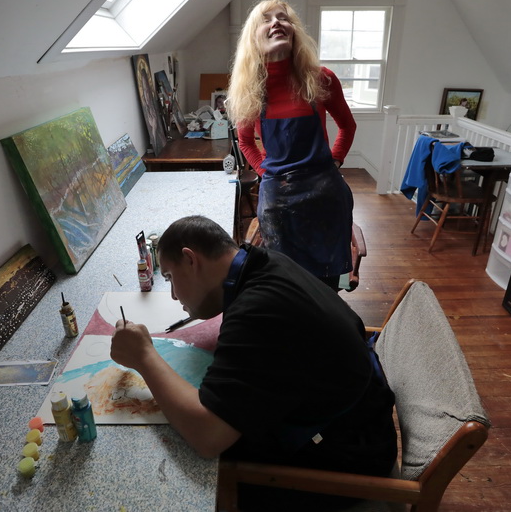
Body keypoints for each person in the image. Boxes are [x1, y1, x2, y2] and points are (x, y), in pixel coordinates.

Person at [110, 216, 397, 510]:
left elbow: (208, 437)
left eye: (170, 278)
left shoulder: (257, 310)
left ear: (190, 259)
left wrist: (144, 356)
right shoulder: (265, 262)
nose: (173, 296)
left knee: (190, 483)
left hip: (348, 456)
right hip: (361, 416)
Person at [226, 0, 357, 291]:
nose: (276, 23)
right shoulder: (250, 88)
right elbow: (246, 141)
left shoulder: (321, 78)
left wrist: (335, 160)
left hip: (325, 194)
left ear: (294, 30)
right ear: (253, 35)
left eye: (283, 18)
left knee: (325, 285)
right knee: (285, 281)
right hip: (279, 197)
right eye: (266, 19)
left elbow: (348, 126)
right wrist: (265, 173)